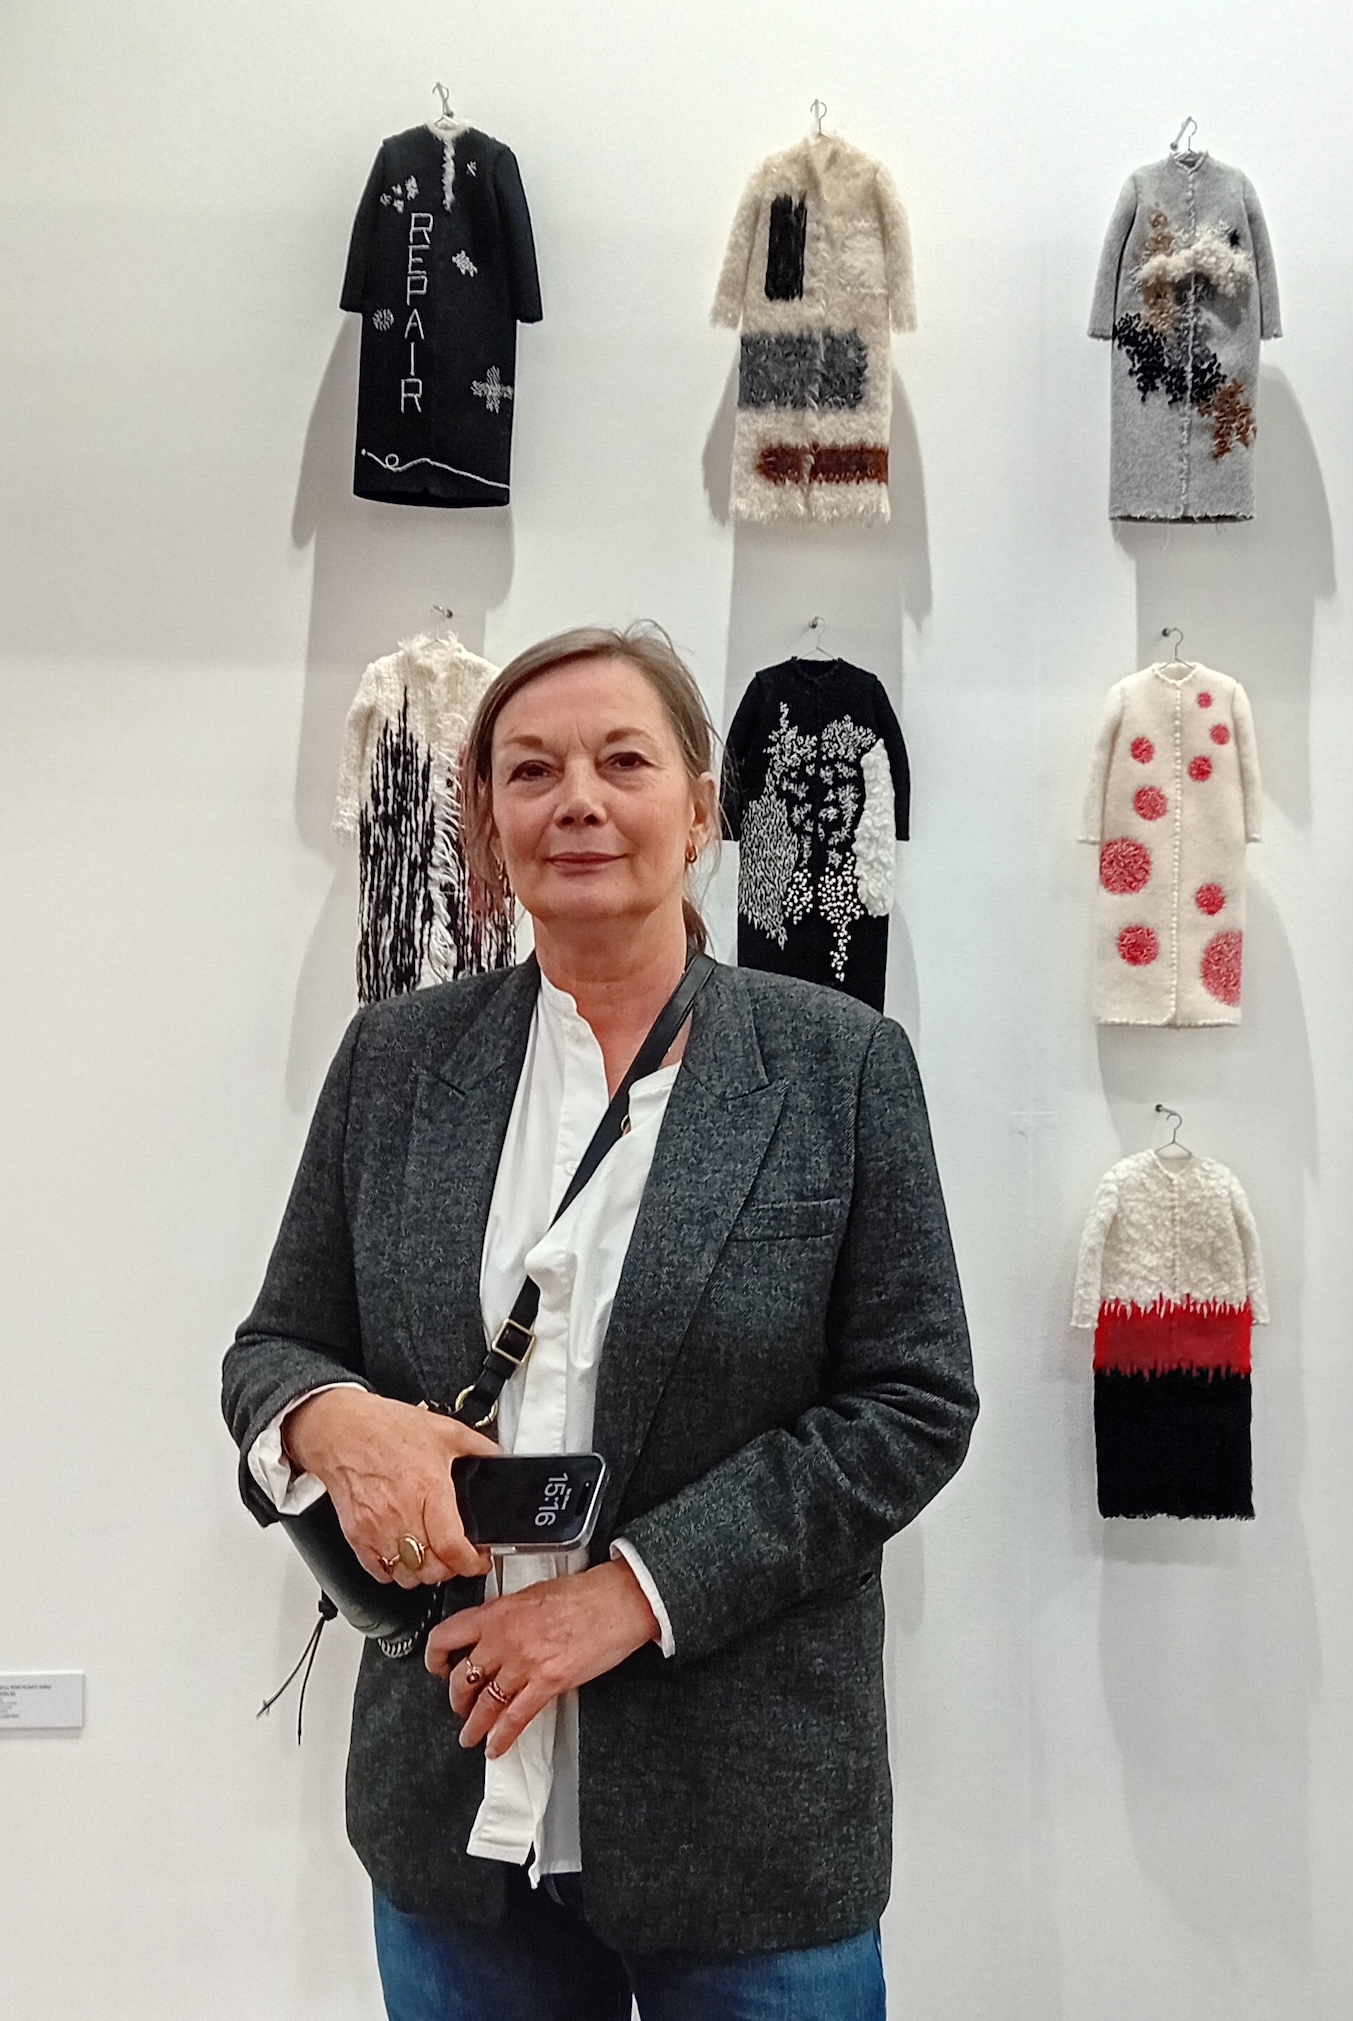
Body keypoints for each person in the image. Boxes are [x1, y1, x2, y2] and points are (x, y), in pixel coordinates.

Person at [222, 623, 976, 2020]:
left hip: (749, 1828)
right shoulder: (395, 1061)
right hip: (452, 1822)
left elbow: (912, 1405)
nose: (576, 799)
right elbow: (272, 1349)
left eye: (623, 761)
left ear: (701, 812)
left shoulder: (840, 1066)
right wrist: (333, 1423)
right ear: (488, 820)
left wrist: (631, 1592)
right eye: (531, 770)